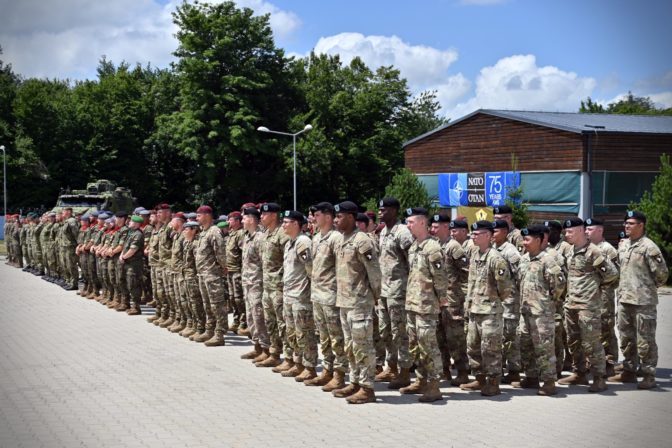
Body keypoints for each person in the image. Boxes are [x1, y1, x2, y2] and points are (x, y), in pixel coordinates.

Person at [609, 211, 669, 389]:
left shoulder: (649, 247)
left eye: (631, 223)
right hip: (624, 299)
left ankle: (648, 375)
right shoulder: (624, 245)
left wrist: (646, 288)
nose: (626, 226)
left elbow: (662, 275)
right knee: (626, 338)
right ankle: (628, 371)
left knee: (645, 340)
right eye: (626, 223)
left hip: (643, 302)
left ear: (641, 225)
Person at [559, 218, 618, 393]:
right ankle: (579, 373)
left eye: (570, 232)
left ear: (581, 231)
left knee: (591, 343)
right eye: (566, 232)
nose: (567, 234)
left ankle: (599, 377)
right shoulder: (570, 251)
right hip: (571, 304)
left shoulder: (593, 252)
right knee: (574, 341)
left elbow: (612, 275)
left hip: (588, 306)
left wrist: (595, 289)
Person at [331, 201, 381, 404]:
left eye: (339, 217)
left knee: (363, 346)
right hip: (344, 301)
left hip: (360, 303)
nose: (336, 220)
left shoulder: (363, 241)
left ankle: (367, 387)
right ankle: (354, 381)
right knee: (350, 346)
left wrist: (374, 298)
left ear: (351, 217)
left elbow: (375, 274)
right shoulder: (342, 239)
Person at [400, 208, 448, 402]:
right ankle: (421, 380)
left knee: (428, 345)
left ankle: (434, 385)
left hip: (426, 305)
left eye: (411, 222)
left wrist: (442, 299)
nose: (408, 226)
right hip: (412, 303)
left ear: (422, 223)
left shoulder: (432, 248)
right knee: (415, 345)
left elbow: (440, 278)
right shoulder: (414, 247)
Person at [461, 220, 513, 396]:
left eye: (477, 234)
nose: (473, 237)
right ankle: (480, 379)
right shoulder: (475, 254)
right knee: (472, 347)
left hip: (490, 312)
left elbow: (505, 288)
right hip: (474, 310)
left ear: (488, 236)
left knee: (490, 348)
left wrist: (493, 301)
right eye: (472, 234)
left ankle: (493, 382)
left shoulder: (496, 258)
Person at [517, 225, 566, 395]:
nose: (524, 243)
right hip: (525, 311)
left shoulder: (547, 260)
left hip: (542, 313)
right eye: (524, 239)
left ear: (539, 240)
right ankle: (531, 377)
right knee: (526, 345)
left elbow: (559, 285)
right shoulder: (524, 260)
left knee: (544, 348)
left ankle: (548, 381)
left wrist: (547, 302)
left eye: (528, 240)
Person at [305, 202, 348, 391]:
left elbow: (342, 267)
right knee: (324, 337)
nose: (314, 217)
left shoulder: (336, 238)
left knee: (336, 337)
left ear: (328, 217)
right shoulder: (316, 238)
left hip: (331, 295)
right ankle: (328, 371)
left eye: (317, 214)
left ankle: (340, 374)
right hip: (318, 294)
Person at [375, 197, 413, 389]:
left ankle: (405, 371)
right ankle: (391, 366)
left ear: (395, 211)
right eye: (380, 210)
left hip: (398, 289)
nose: (381, 212)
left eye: (385, 210)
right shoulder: (383, 232)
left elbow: (412, 260)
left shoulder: (402, 232)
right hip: (384, 289)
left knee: (400, 332)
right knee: (385, 331)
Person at [429, 214, 470, 385]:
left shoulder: (454, 247)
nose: (432, 229)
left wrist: (462, 294)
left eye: (436, 227)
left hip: (453, 300)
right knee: (440, 337)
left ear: (445, 227)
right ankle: (444, 370)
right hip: (439, 299)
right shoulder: (437, 245)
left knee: (455, 337)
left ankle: (462, 371)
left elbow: (468, 271)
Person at [279, 210, 318, 382]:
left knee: (305, 333)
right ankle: (298, 362)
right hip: (290, 294)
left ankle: (309, 367)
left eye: (286, 222)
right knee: (292, 333)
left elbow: (310, 269)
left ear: (296, 224)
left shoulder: (303, 242)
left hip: (301, 296)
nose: (283, 225)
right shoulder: (290, 243)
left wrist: (309, 292)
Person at [585, 217, 620, 376]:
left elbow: (616, 275)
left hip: (604, 297)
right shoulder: (587, 248)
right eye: (585, 229)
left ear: (600, 230)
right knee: (592, 330)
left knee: (606, 328)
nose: (586, 231)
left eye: (590, 229)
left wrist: (604, 288)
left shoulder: (608, 249)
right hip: (590, 297)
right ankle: (592, 362)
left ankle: (610, 362)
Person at [258, 202, 290, 368]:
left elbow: (288, 261)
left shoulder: (282, 234)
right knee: (270, 322)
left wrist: (283, 281)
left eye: (264, 214)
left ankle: (289, 358)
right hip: (267, 286)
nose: (261, 217)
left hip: (279, 286)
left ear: (273, 215)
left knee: (282, 323)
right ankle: (274, 352)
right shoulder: (266, 234)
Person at [492, 219, 522, 384]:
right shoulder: (494, 249)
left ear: (504, 232)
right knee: (500, 336)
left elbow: (519, 275)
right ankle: (502, 368)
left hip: (510, 301)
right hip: (498, 301)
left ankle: (514, 370)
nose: (492, 234)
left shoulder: (510, 251)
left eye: (495, 231)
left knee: (510, 336)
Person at [239, 207, 271, 361]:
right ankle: (257, 346)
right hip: (248, 283)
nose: (242, 221)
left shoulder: (260, 238)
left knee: (259, 317)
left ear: (251, 219)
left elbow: (265, 263)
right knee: (251, 317)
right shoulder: (247, 236)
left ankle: (266, 348)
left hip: (257, 283)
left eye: (244, 218)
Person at [194, 205, 229, 346]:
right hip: (203, 274)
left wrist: (223, 267)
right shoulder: (204, 232)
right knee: (207, 304)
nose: (197, 218)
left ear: (207, 216)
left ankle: (220, 334)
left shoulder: (214, 232)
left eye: (199, 215)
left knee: (217, 305)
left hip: (212, 274)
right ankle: (210, 330)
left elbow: (220, 252)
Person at [119, 215, 145, 315]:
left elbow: (133, 250)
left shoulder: (138, 234)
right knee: (125, 282)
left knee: (133, 284)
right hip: (127, 262)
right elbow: (125, 247)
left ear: (136, 223)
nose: (129, 222)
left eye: (131, 221)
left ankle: (136, 307)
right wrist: (122, 256)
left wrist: (124, 257)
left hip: (134, 264)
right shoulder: (131, 233)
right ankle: (126, 303)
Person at [226, 211, 247, 335]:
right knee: (233, 298)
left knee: (239, 299)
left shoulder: (240, 234)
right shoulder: (232, 234)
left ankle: (243, 321)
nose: (229, 222)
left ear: (238, 221)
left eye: (231, 219)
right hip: (230, 270)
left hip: (238, 271)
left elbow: (244, 254)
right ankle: (236, 320)